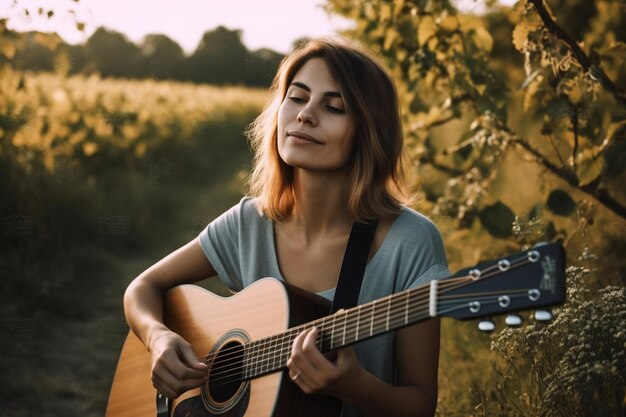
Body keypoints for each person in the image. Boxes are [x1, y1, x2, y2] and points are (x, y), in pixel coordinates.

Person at [123, 37, 449, 417]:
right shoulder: (249, 223)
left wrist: (358, 388)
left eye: (334, 107)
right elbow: (143, 287)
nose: (305, 115)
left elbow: (421, 404)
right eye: (297, 97)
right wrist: (157, 336)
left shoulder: (409, 242)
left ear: (369, 131)